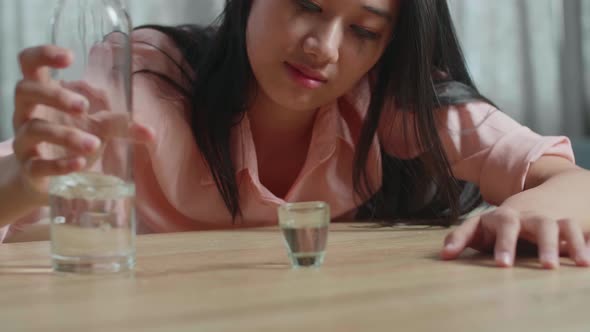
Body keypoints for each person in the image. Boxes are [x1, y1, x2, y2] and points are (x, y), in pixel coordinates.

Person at [0, 0, 588, 269]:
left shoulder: (390, 99)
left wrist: (536, 205)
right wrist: (31, 179)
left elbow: (568, 177)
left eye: (362, 29)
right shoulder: (148, 79)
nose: (324, 48)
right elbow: (27, 178)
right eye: (307, 4)